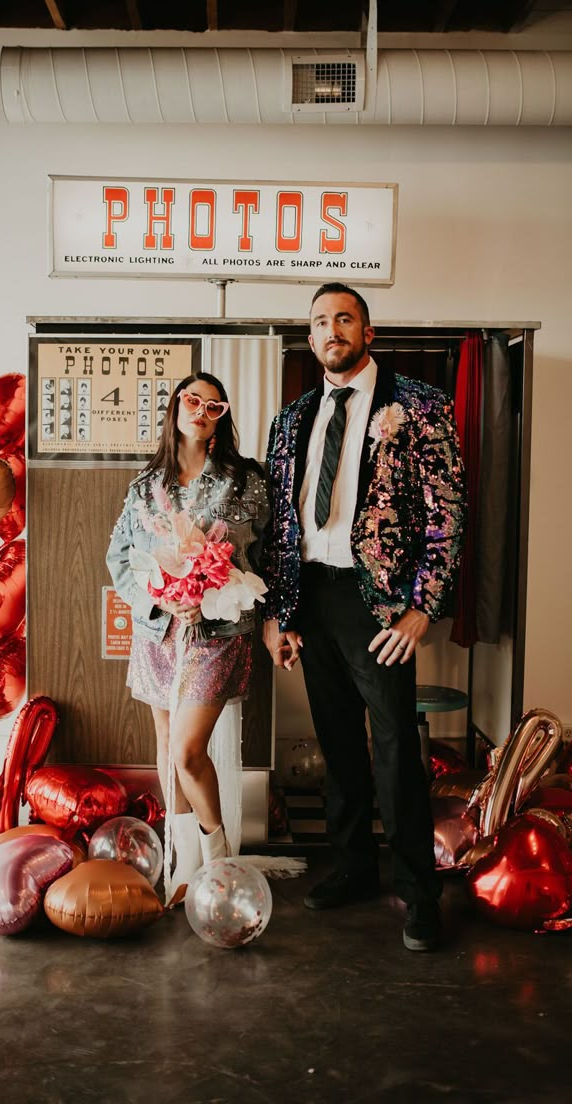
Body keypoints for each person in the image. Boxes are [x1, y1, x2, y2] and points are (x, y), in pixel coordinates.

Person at [262, 282, 465, 951]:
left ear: (367, 332)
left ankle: (418, 891)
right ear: (311, 337)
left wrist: (422, 610)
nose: (331, 329)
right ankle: (352, 866)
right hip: (311, 597)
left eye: (344, 318)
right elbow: (276, 523)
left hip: (376, 603)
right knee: (337, 742)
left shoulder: (419, 404)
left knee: (396, 750)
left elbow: (447, 513)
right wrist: (278, 612)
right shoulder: (293, 419)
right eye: (320, 321)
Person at [107, 372, 270, 903]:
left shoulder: (247, 481)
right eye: (192, 399)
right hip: (158, 633)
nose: (201, 409)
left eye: (214, 406)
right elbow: (121, 560)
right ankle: (182, 870)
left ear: (221, 419)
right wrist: (160, 597)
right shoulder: (143, 485)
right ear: (176, 407)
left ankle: (220, 864)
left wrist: (220, 590)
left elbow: (267, 557)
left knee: (187, 750)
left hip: (219, 633)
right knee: (166, 749)